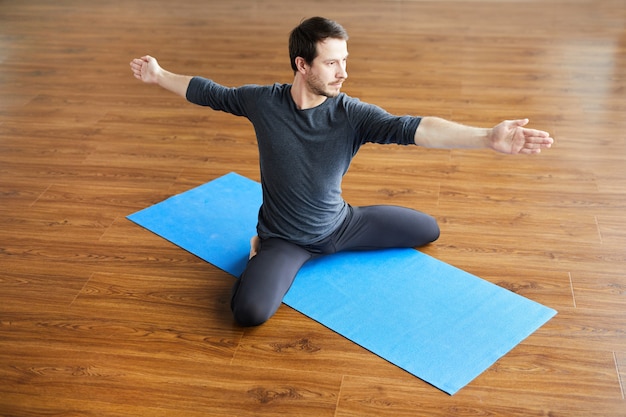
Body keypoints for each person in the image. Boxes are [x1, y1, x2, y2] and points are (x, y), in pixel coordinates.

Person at [130, 17, 553, 327]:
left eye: (344, 61)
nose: (344, 72)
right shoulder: (263, 103)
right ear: (302, 64)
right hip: (285, 239)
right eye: (332, 63)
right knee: (249, 314)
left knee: (429, 229)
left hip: (341, 225)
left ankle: (331, 237)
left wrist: (486, 138)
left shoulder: (352, 115)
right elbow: (209, 92)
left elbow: (417, 128)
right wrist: (159, 74)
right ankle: (261, 248)